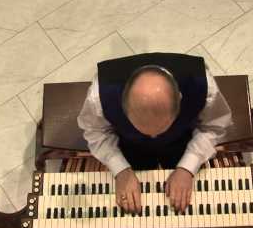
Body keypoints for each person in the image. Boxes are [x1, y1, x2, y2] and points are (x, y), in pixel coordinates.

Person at [77, 53, 233, 215]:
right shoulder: (99, 96)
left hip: (181, 139)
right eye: (142, 127)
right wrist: (121, 169)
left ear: (180, 99)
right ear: (123, 105)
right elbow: (96, 131)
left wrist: (188, 167)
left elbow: (213, 126)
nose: (153, 137)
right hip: (129, 144)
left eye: (161, 128)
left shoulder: (204, 86)